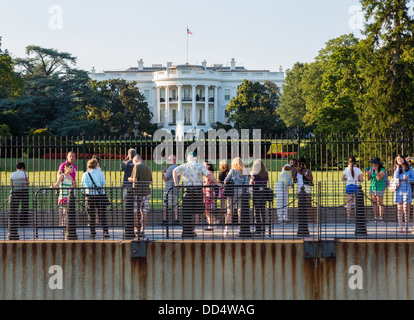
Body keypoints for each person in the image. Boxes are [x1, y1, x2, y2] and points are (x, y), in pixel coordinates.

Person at [173, 152, 221, 237]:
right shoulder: (200, 166)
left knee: (187, 212)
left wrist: (176, 183)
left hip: (188, 191)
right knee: (196, 212)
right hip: (198, 191)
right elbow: (209, 175)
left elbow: (174, 171)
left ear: (187, 158)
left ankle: (187, 231)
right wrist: (218, 183)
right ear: (196, 158)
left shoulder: (184, 166)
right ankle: (193, 230)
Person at [81, 158, 109, 239]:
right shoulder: (100, 173)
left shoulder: (85, 174)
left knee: (91, 215)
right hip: (99, 195)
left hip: (89, 195)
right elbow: (103, 183)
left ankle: (93, 232)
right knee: (102, 214)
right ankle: (105, 231)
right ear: (96, 165)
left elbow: (83, 185)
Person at [223, 157, 249, 236]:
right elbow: (247, 183)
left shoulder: (232, 171)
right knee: (240, 212)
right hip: (241, 192)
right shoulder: (244, 171)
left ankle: (226, 229)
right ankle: (239, 228)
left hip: (233, 191)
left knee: (229, 211)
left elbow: (226, 180)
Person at [129, 154, 153, 238]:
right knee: (144, 211)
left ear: (135, 161)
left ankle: (137, 229)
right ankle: (143, 230)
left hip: (137, 192)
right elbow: (151, 182)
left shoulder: (136, 167)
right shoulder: (147, 167)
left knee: (135, 211)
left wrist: (130, 179)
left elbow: (135, 181)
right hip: (146, 192)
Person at [51, 162, 76, 233]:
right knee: (62, 214)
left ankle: (64, 229)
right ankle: (62, 228)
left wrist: (73, 187)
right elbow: (57, 183)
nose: (72, 169)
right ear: (66, 168)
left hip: (68, 198)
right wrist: (54, 186)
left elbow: (74, 185)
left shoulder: (71, 177)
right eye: (71, 167)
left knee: (65, 213)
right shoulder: (62, 175)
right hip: (62, 197)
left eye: (73, 168)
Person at [8, 162, 30, 239]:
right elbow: (28, 182)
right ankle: (23, 221)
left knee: (15, 207)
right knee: (24, 206)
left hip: (16, 191)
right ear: (23, 167)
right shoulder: (24, 173)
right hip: (24, 191)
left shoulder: (12, 174)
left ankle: (14, 221)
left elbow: (11, 184)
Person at [392, 155, 414, 233]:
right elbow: (395, 177)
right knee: (400, 209)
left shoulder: (410, 168)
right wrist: (398, 168)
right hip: (398, 190)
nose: (400, 160)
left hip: (407, 189)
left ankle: (406, 227)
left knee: (406, 208)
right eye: (398, 159)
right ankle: (400, 227)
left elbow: (413, 179)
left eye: (400, 158)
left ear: (403, 159)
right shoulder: (397, 169)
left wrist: (408, 179)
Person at [250, 159, 269, 235]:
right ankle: (263, 229)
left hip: (256, 194)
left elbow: (251, 182)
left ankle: (258, 229)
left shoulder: (255, 173)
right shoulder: (266, 173)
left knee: (257, 212)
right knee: (263, 212)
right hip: (263, 194)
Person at [275, 158, 297, 223]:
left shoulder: (292, 171)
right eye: (292, 163)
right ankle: (280, 219)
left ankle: (286, 218)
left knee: (285, 203)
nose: (293, 164)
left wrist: (292, 183)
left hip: (285, 188)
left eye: (295, 164)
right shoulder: (287, 166)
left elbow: (292, 181)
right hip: (279, 187)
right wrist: (293, 169)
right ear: (290, 163)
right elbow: (285, 167)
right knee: (280, 203)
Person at [342, 156, 363, 224]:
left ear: (348, 162)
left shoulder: (346, 169)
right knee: (356, 204)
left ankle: (348, 218)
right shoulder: (358, 170)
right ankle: (357, 218)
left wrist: (346, 178)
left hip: (348, 186)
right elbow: (361, 179)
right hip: (356, 186)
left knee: (349, 204)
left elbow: (342, 178)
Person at [366, 157, 386, 222]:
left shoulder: (382, 170)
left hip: (380, 187)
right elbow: (369, 178)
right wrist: (368, 175)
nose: (374, 165)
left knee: (380, 202)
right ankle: (375, 216)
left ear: (378, 164)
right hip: (373, 187)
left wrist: (376, 171)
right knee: (374, 202)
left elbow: (378, 179)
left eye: (375, 164)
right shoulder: (371, 169)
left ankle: (381, 217)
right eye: (373, 164)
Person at [162, 155, 179, 225]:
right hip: (176, 189)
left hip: (169, 189)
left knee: (165, 205)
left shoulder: (171, 168)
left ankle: (165, 220)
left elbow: (165, 178)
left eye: (169, 160)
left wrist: (162, 172)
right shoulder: (178, 167)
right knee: (175, 205)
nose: (168, 161)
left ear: (173, 160)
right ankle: (176, 219)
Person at [296, 158, 314, 222]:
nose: (301, 166)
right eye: (300, 164)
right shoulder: (297, 171)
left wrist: (305, 174)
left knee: (309, 204)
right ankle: (301, 220)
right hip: (299, 188)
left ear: (305, 164)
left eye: (302, 164)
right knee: (300, 204)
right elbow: (295, 180)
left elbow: (311, 179)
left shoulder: (308, 170)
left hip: (307, 187)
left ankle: (312, 220)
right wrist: (295, 174)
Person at [203, 162, 217, 230]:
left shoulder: (209, 173)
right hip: (208, 193)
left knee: (207, 210)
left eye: (204, 165)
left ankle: (211, 224)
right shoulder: (209, 173)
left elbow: (207, 183)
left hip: (209, 193)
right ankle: (213, 222)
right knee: (207, 210)